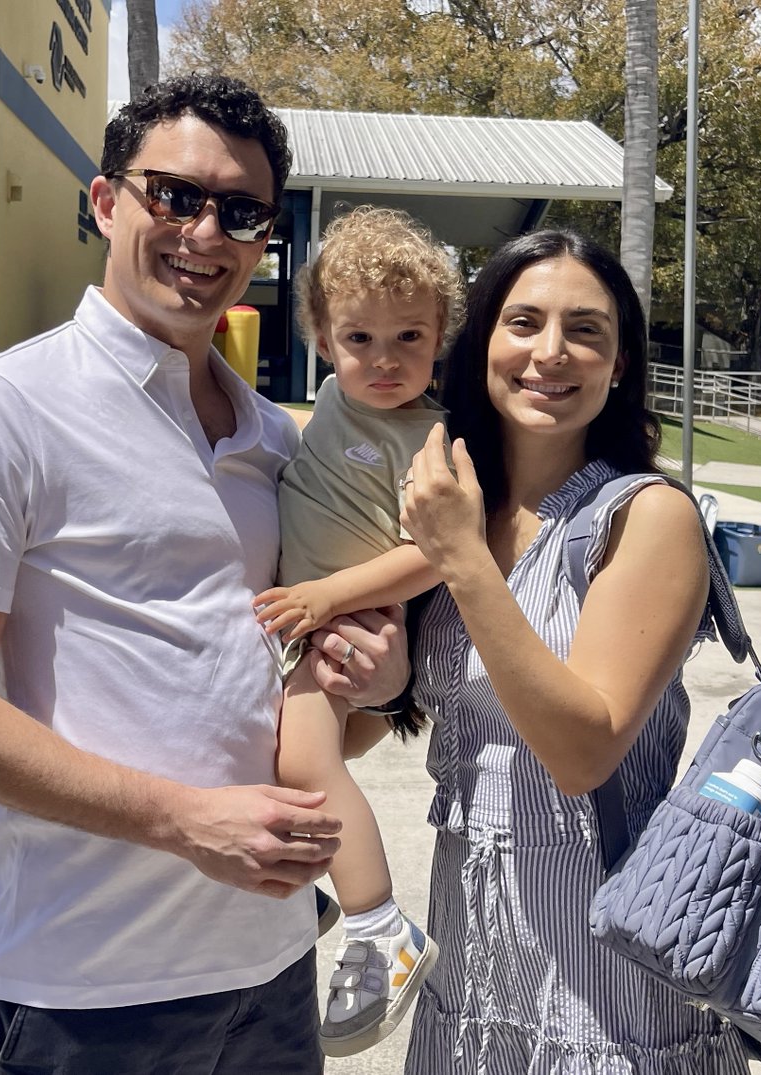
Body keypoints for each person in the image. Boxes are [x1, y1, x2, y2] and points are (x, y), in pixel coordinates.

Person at [0, 75, 409, 1075]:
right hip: (84, 992)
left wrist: (377, 693)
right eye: (174, 195)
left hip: (273, 975)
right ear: (105, 201)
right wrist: (184, 820)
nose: (205, 233)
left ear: (265, 239)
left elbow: (299, 721)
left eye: (241, 212)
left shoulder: (274, 441)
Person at [396, 230, 752, 1073]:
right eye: (523, 322)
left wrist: (464, 561)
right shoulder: (463, 508)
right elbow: (405, 709)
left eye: (585, 330)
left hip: (607, 977)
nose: (551, 352)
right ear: (483, 343)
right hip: (472, 961)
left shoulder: (645, 517)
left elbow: (582, 751)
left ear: (619, 363)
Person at [250, 205, 462, 1056]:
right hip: (311, 618)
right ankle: (314, 888)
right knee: (283, 758)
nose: (384, 359)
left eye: (409, 337)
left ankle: (380, 926)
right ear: (322, 339)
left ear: (440, 337)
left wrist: (326, 596)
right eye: (359, 338)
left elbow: (435, 555)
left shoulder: (433, 438)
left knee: (306, 765)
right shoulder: (334, 398)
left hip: (343, 623)